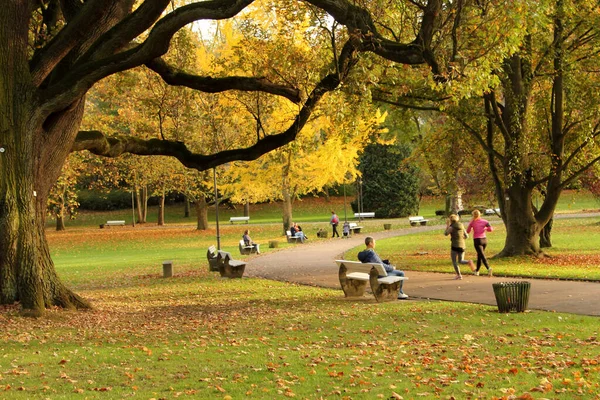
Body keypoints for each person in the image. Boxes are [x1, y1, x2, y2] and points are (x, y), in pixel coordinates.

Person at [444, 214, 475, 280]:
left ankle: (459, 275)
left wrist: (447, 225)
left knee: (454, 261)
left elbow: (446, 233)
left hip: (455, 246)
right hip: (462, 246)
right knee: (461, 260)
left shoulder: (451, 227)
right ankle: (468, 262)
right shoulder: (461, 226)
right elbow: (467, 236)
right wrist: (461, 238)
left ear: (451, 220)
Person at [466, 209, 493, 276]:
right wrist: (485, 229)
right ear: (480, 214)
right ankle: (477, 271)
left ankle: (488, 268)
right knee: (479, 255)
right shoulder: (485, 221)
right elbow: (491, 229)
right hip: (484, 240)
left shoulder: (472, 222)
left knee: (481, 255)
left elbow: (468, 231)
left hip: (477, 240)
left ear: (473, 215)